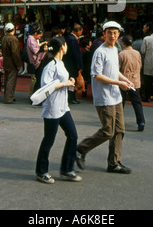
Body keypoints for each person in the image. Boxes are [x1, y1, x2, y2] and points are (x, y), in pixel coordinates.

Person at [76, 21, 134, 174]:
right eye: (109, 33)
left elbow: (115, 71)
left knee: (120, 130)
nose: (112, 36)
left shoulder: (115, 49)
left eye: (115, 33)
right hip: (104, 97)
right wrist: (118, 83)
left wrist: (125, 79)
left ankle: (114, 163)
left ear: (118, 35)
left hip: (116, 96)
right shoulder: (99, 52)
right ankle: (80, 149)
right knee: (108, 131)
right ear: (104, 34)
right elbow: (97, 76)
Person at [35, 36, 82, 184]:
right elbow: (46, 86)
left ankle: (67, 169)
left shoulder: (60, 63)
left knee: (73, 136)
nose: (67, 46)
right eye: (66, 44)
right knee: (49, 140)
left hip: (63, 107)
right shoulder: (51, 65)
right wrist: (64, 83)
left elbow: (62, 82)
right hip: (52, 108)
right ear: (62, 47)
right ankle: (41, 171)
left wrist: (70, 82)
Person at [118, 35, 145, 131]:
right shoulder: (137, 53)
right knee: (137, 103)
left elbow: (117, 69)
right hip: (135, 81)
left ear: (123, 43)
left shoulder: (121, 54)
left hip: (124, 81)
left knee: (120, 102)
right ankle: (141, 121)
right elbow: (140, 65)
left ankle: (118, 121)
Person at [1, 22, 22, 104]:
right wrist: (18, 64)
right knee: (11, 80)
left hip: (6, 60)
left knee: (7, 79)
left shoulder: (4, 38)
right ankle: (9, 98)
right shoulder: (13, 39)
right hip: (12, 62)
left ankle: (7, 96)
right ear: (14, 29)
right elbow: (15, 53)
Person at [63, 23, 83, 104]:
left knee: (69, 80)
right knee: (72, 80)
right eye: (81, 31)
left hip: (67, 63)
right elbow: (76, 54)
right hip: (72, 64)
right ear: (78, 31)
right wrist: (80, 66)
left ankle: (70, 97)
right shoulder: (73, 40)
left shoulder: (68, 37)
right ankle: (71, 98)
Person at [27, 25, 47, 97]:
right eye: (39, 36)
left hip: (35, 61)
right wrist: (44, 49)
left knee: (35, 79)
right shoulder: (31, 39)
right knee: (34, 80)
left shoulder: (32, 39)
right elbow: (35, 50)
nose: (39, 37)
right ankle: (32, 95)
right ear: (35, 33)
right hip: (34, 62)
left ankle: (32, 95)